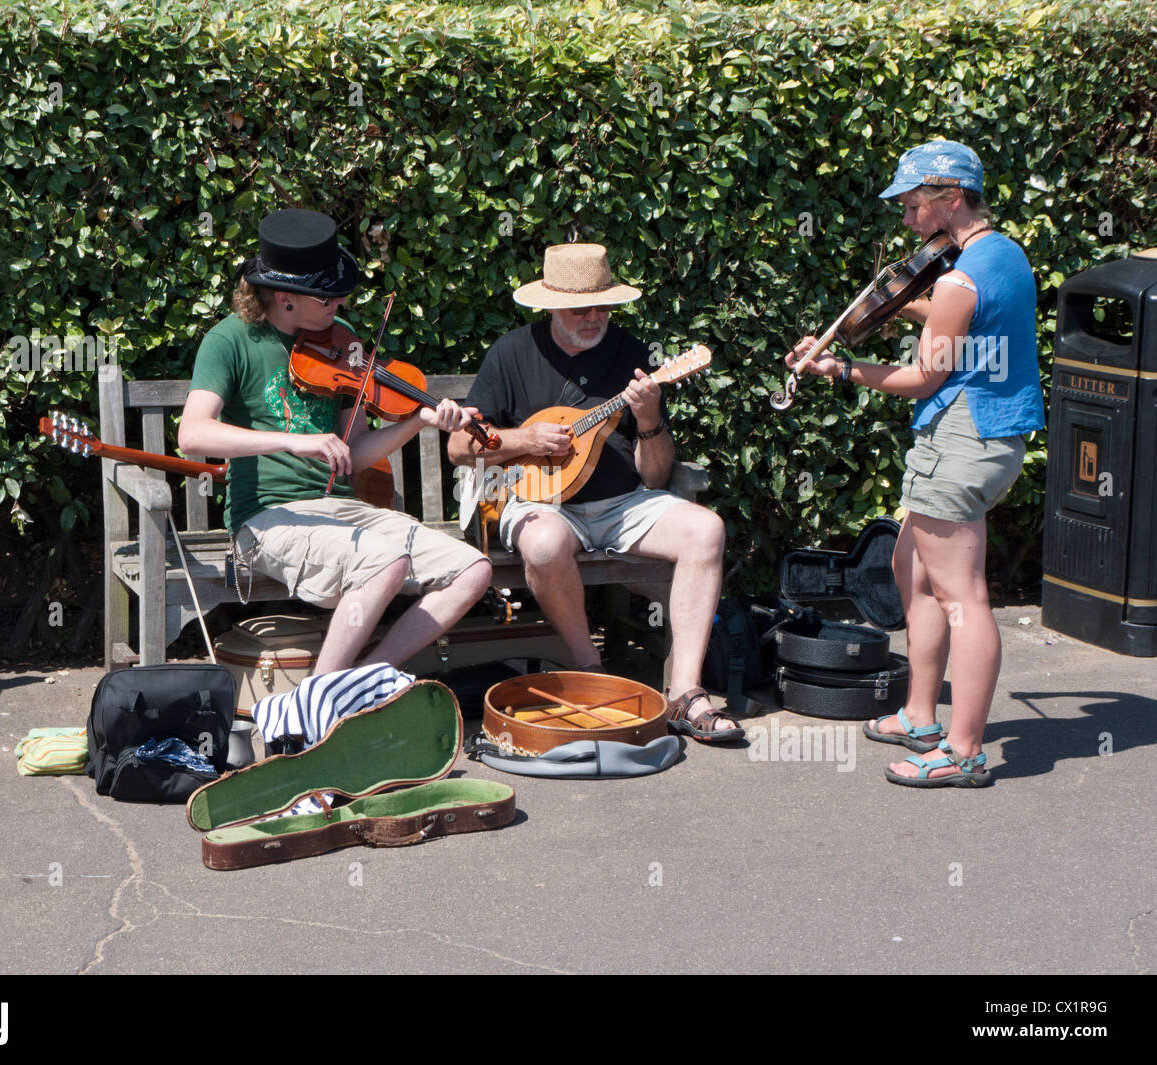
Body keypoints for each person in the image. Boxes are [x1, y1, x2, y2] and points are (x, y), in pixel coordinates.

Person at [785, 139, 1045, 787]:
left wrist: (839, 366)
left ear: (951, 198)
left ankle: (962, 752)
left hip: (962, 437)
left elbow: (923, 376)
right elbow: (965, 320)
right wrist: (899, 302)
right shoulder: (1002, 255)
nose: (907, 220)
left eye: (914, 204)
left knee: (964, 597)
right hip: (987, 435)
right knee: (910, 566)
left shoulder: (959, 276)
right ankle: (921, 714)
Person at [448, 243, 741, 743]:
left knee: (706, 530)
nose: (595, 316)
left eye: (603, 304)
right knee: (543, 545)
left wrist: (648, 418)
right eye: (582, 307)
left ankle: (686, 692)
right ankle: (591, 671)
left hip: (622, 504)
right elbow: (459, 446)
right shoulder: (513, 353)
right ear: (551, 306)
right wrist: (525, 439)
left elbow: (654, 476)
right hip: (540, 501)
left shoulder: (631, 353)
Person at [179, 208, 492, 674]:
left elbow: (358, 452)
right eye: (326, 298)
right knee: (384, 562)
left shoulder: (341, 343)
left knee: (474, 571)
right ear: (286, 298)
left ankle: (364, 676)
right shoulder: (229, 341)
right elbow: (192, 434)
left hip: (342, 509)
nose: (338, 307)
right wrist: (291, 441)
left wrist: (418, 421)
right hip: (266, 518)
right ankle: (321, 697)